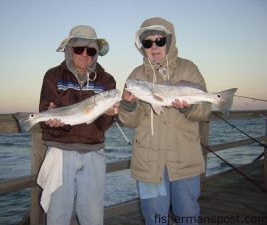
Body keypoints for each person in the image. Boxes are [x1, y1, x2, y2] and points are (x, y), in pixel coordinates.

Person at [118, 17, 212, 225]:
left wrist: (189, 106)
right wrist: (128, 105)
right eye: (147, 42)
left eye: (159, 41)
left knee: (187, 216)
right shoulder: (136, 76)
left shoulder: (188, 68)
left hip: (184, 160)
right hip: (148, 162)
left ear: (169, 42)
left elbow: (205, 111)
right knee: (155, 219)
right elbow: (130, 122)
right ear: (142, 47)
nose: (154, 46)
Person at [36, 25, 118, 225]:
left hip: (94, 152)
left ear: (97, 53)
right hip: (60, 153)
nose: (85, 55)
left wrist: (109, 114)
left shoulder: (107, 81)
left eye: (91, 50)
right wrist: (55, 122)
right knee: (57, 215)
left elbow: (102, 125)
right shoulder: (53, 76)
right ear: (69, 49)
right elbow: (47, 115)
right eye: (79, 49)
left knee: (93, 216)